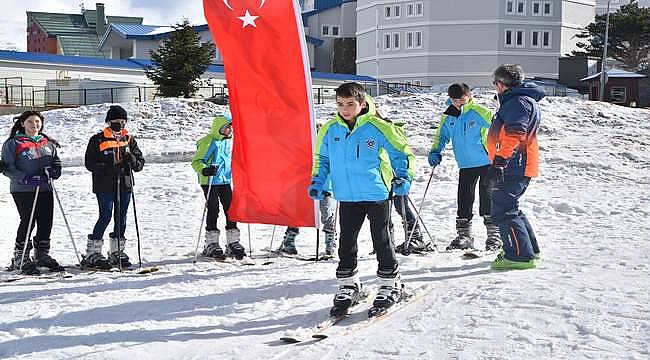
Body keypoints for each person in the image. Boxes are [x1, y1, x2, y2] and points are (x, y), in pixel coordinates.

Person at [310, 82, 415, 315]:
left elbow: (401, 152)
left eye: (350, 104)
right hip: (346, 195)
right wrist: (318, 181)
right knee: (346, 241)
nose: (345, 109)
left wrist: (404, 177)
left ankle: (390, 283)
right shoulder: (329, 130)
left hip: (376, 193)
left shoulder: (378, 127)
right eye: (340, 104)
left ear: (362, 104)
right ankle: (349, 284)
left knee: (381, 239)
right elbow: (322, 159)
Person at [427, 83, 501, 251]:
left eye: (461, 99)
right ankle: (464, 236)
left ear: (469, 96)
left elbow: (498, 130)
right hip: (465, 164)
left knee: (487, 197)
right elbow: (442, 135)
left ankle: (494, 235)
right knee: (464, 198)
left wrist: (500, 152)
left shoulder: (480, 112)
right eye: (454, 100)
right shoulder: (449, 116)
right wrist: (435, 151)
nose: (457, 103)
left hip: (486, 162)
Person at [488, 64, 543, 270]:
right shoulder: (519, 100)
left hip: (513, 164)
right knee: (509, 207)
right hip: (514, 163)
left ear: (501, 84)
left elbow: (514, 133)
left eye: (495, 83)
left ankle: (519, 256)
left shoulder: (518, 102)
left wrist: (500, 161)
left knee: (502, 210)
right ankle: (528, 250)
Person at [82, 105, 145, 269]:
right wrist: (108, 168)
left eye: (122, 121)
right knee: (106, 215)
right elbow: (89, 163)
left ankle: (117, 251)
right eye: (116, 121)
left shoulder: (129, 139)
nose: (120, 124)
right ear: (109, 122)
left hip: (125, 183)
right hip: (105, 184)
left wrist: (132, 160)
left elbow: (139, 164)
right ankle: (93, 252)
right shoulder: (98, 139)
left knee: (121, 217)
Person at [1, 110, 63, 275]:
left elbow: (56, 160)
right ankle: (20, 256)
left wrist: (56, 170)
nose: (34, 125)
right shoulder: (14, 143)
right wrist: (25, 178)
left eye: (37, 122)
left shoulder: (47, 142)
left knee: (46, 220)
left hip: (45, 187)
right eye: (30, 122)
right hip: (23, 189)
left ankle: (42, 254)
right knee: (28, 220)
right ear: (22, 123)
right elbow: (7, 168)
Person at [191, 114, 246, 260]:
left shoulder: (228, 142)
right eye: (227, 127)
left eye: (230, 127)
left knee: (231, 209)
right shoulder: (209, 142)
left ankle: (233, 242)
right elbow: (196, 161)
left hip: (225, 180)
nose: (230, 129)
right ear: (219, 128)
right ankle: (211, 243)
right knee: (213, 209)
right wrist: (204, 169)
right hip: (209, 181)